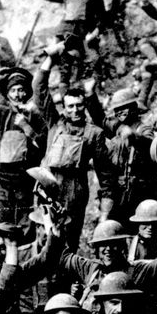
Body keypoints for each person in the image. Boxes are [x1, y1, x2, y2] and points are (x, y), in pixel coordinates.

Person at [36, 53, 117, 248]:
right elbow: (38, 91)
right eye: (70, 106)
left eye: (79, 106)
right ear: (63, 108)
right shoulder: (55, 123)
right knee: (44, 235)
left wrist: (104, 211)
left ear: (85, 106)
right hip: (48, 185)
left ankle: (65, 277)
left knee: (69, 239)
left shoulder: (94, 133)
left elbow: (104, 172)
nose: (75, 110)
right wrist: (50, 59)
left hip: (74, 190)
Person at [0, 67, 47, 228]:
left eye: (21, 90)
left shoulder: (36, 117)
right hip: (1, 181)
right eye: (13, 90)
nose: (17, 95)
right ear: (7, 94)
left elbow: (44, 145)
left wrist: (27, 128)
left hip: (25, 183)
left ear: (27, 92)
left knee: (24, 228)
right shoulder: (0, 114)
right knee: (0, 226)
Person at [101, 89, 157, 224]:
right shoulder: (118, 127)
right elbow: (100, 120)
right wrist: (91, 97)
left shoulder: (144, 129)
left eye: (123, 108)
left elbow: (149, 142)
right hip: (119, 191)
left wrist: (133, 136)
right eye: (117, 109)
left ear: (133, 107)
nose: (119, 112)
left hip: (140, 191)